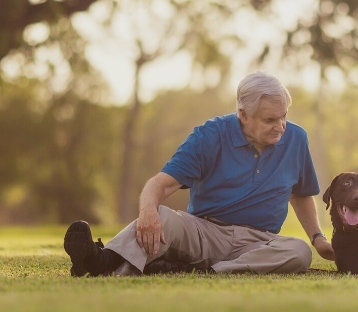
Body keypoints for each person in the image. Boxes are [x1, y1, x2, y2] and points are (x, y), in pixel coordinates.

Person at [63, 71, 335, 276]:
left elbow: (300, 194)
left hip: (258, 241)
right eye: (270, 120)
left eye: (284, 116)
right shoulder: (210, 134)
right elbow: (160, 185)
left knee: (298, 251)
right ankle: (100, 261)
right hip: (204, 231)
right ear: (243, 114)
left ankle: (205, 271)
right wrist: (147, 212)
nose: (281, 126)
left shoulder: (297, 139)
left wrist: (318, 239)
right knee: (161, 217)